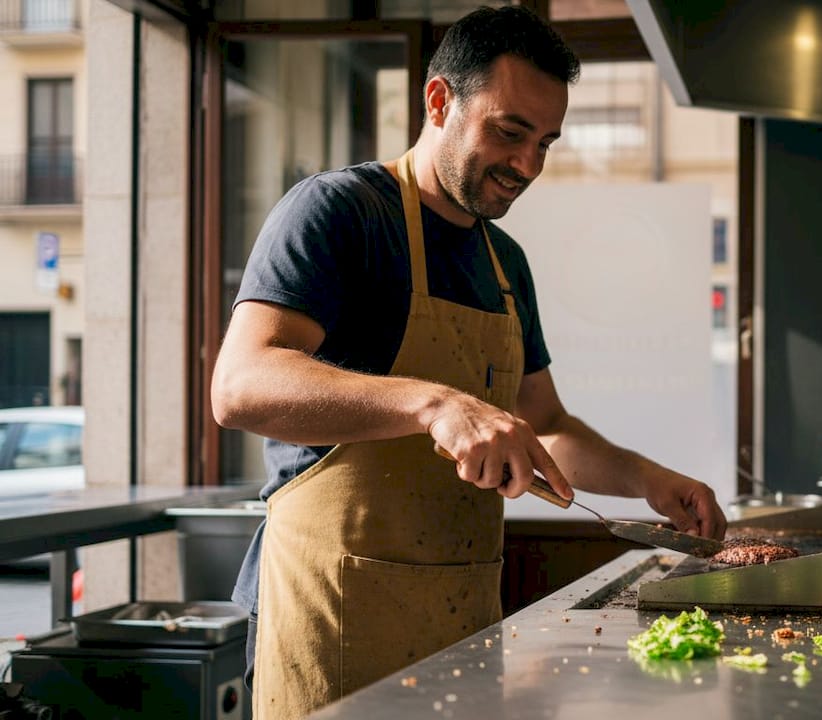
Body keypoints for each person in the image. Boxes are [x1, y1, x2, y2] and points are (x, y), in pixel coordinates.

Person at [210, 6, 727, 718]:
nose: (527, 166)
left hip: (458, 620)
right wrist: (436, 404)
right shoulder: (339, 213)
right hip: (332, 617)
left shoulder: (503, 260)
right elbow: (240, 385)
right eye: (510, 133)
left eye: (545, 143)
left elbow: (543, 425)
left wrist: (651, 481)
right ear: (438, 101)